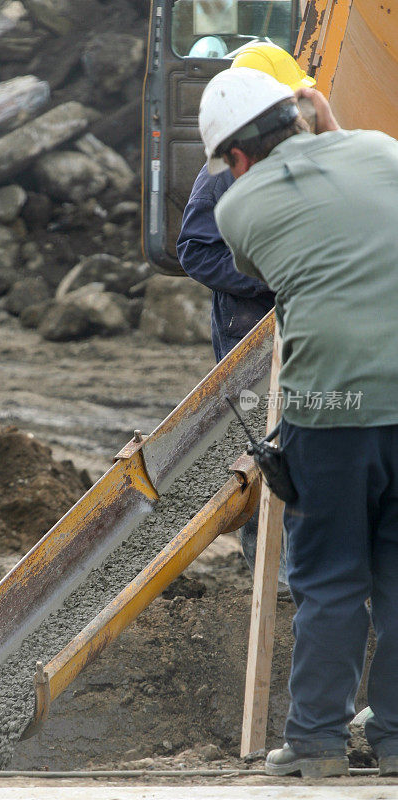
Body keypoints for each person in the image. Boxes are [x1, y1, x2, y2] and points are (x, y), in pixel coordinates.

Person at [199, 65, 398, 778]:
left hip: (331, 412)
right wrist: (324, 115)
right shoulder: (380, 150)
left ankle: (315, 745)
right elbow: (361, 181)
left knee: (331, 578)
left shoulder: (236, 209)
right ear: (302, 112)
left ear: (236, 157)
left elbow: (270, 264)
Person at [177, 42, 314, 578]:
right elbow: (195, 247)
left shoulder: (297, 157)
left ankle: (293, 564)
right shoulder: (225, 169)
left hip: (297, 320)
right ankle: (268, 569)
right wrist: (269, 279)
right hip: (248, 326)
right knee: (263, 440)